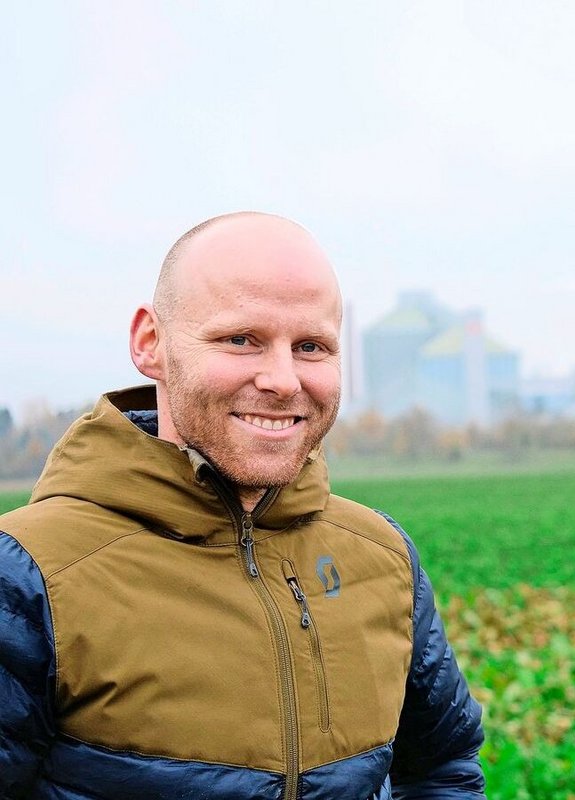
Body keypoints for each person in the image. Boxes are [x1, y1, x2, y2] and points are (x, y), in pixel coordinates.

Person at [0, 212, 486, 799]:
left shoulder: (383, 557)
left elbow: (443, 767)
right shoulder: (27, 571)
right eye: (241, 340)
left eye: (310, 346)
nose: (283, 380)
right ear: (150, 343)